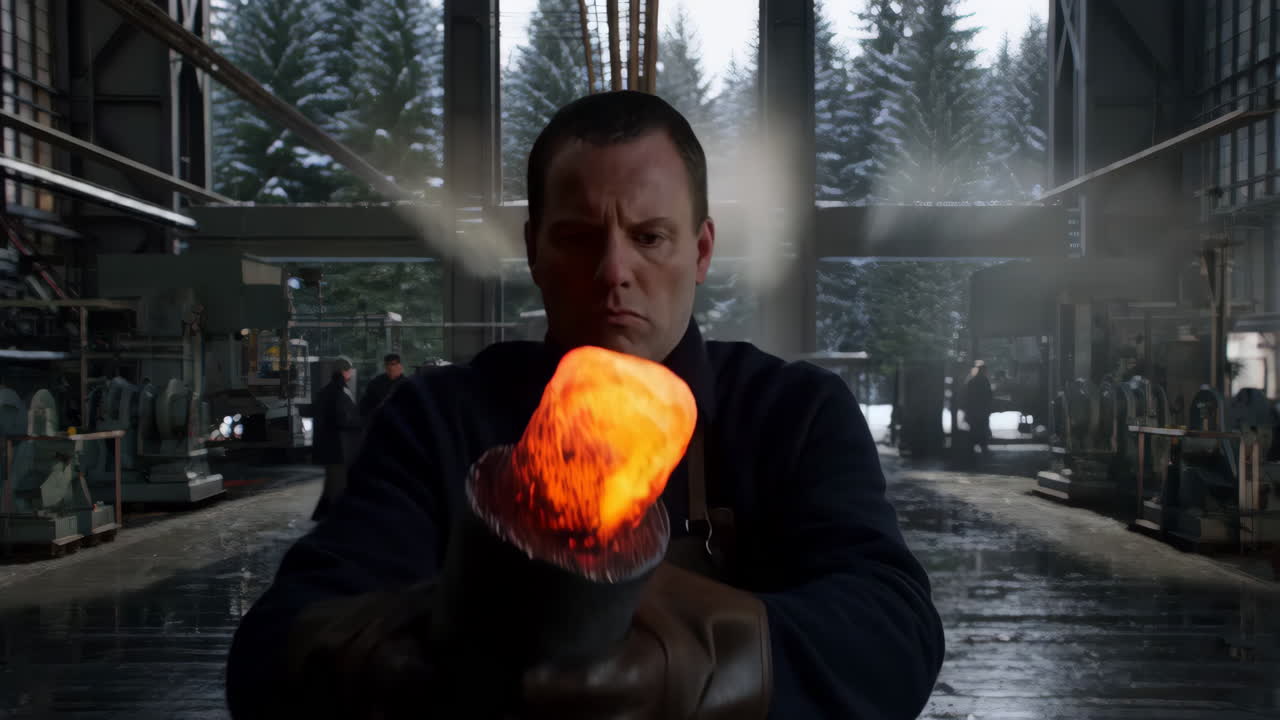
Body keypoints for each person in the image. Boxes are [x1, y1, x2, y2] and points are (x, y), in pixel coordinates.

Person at [227, 91, 944, 719]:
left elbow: (894, 635)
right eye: (577, 237)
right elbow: (275, 650)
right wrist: (439, 647)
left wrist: (700, 662)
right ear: (533, 250)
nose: (613, 271)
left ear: (700, 251)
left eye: (649, 237)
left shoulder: (795, 414)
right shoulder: (436, 421)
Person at [309, 358, 362, 522]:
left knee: (332, 484)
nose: (351, 372)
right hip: (339, 447)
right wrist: (361, 422)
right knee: (337, 486)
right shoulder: (339, 391)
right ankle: (334, 520)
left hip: (331, 446)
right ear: (344, 372)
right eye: (349, 370)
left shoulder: (327, 391)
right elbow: (343, 418)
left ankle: (321, 516)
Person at [358, 353, 406, 419]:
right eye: (387, 364)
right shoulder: (375, 383)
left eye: (393, 364)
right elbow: (364, 404)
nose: (390, 367)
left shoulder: (406, 385)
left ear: (400, 366)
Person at [964, 360, 993, 454]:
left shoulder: (971, 381)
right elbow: (988, 396)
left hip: (973, 410)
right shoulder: (985, 381)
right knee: (983, 427)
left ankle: (972, 447)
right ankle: (983, 447)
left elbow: (967, 396)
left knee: (974, 428)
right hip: (982, 409)